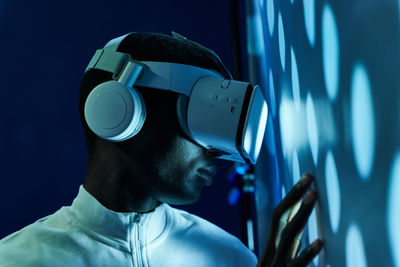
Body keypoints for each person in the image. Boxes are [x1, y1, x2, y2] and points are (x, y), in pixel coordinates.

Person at [0, 32, 322, 266]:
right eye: (201, 119)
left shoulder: (230, 257)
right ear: (120, 112)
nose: (215, 152)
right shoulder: (17, 260)